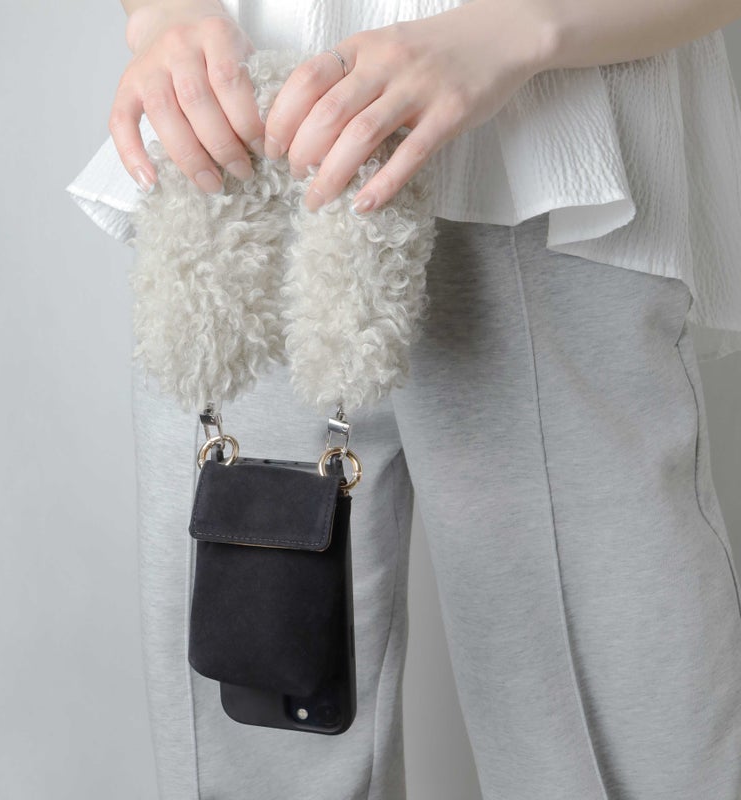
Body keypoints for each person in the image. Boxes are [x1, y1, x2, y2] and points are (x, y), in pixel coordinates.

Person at [65, 0, 741, 797]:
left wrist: (521, 27)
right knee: (256, 731)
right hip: (236, 159)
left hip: (540, 147)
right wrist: (166, 17)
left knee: (622, 733)